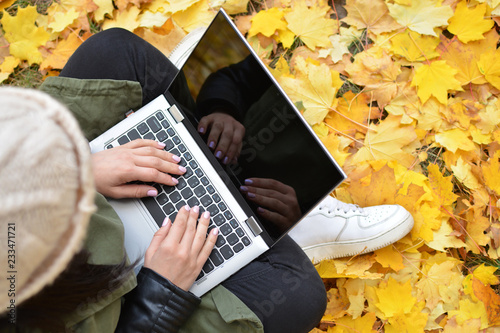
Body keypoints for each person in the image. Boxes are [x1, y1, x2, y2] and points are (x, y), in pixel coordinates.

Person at [0, 27, 413, 332]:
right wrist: (160, 293)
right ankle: (273, 233)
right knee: (298, 296)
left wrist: (77, 167)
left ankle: (197, 141)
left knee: (116, 53)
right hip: (122, 306)